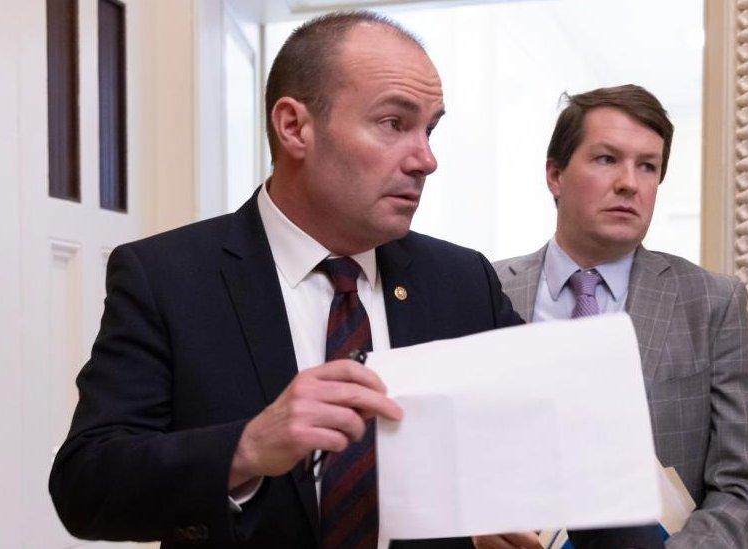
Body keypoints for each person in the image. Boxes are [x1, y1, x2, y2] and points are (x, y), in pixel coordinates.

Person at [49, 11, 522, 549]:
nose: (426, 159)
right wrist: (246, 449)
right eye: (394, 123)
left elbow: (531, 444)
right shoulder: (167, 277)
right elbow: (85, 487)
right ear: (295, 126)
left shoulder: (463, 281)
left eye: (430, 129)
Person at [492, 84, 748, 548]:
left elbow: (746, 489)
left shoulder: (710, 302)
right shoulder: (487, 289)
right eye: (607, 159)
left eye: (648, 166)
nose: (630, 182)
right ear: (555, 174)